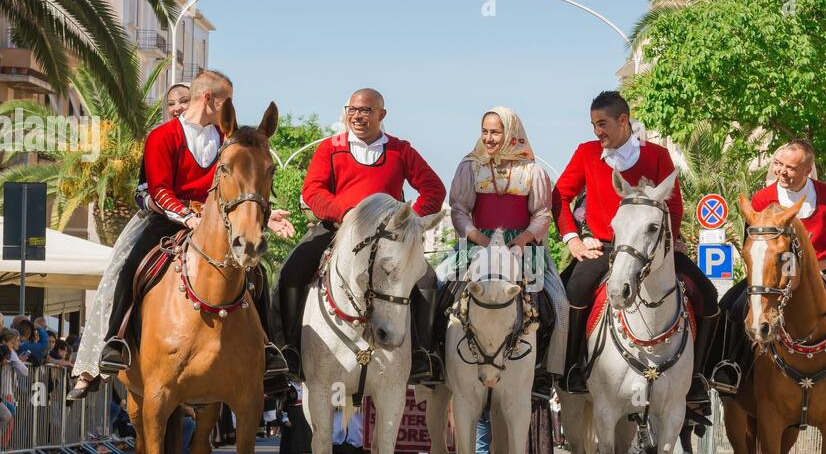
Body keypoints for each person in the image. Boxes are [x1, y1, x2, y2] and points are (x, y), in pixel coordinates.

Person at [68, 69, 296, 399]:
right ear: (210, 100)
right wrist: (189, 217)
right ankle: (114, 342)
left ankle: (267, 350)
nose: (230, 109)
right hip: (165, 219)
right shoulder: (163, 137)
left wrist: (262, 215)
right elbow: (159, 190)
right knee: (129, 266)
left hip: (217, 222)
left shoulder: (225, 138)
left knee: (256, 271)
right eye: (227, 102)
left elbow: (240, 186)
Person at [552, 90, 718, 421]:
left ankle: (698, 379)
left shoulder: (656, 155)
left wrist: (674, 239)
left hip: (653, 249)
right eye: (593, 125)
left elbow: (672, 203)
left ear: (623, 120)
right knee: (571, 292)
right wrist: (573, 240)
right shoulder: (586, 154)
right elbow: (559, 197)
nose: (597, 132)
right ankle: (571, 370)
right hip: (604, 247)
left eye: (603, 124)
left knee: (708, 295)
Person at [269, 87, 446, 385]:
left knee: (427, 280)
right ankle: (287, 349)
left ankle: (420, 354)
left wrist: (406, 222)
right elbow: (312, 191)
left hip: (388, 237)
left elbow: (434, 190)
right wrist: (345, 214)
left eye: (365, 110)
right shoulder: (330, 148)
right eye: (352, 110)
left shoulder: (400, 150)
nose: (358, 116)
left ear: (381, 115)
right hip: (337, 228)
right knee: (289, 272)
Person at [716, 137, 826, 439]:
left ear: (808, 170)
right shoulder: (761, 198)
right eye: (778, 164)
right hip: (770, 280)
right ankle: (728, 372)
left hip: (821, 276)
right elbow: (751, 243)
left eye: (790, 168)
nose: (781, 172)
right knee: (729, 307)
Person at [444, 107, 566, 397]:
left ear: (511, 132)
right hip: (476, 244)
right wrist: (475, 236)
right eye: (484, 131)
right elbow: (459, 209)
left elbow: (541, 214)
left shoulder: (533, 170)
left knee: (558, 302)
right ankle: (434, 361)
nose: (488, 138)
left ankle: (547, 372)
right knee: (439, 290)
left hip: (521, 247)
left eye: (495, 132)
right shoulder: (470, 166)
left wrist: (521, 241)